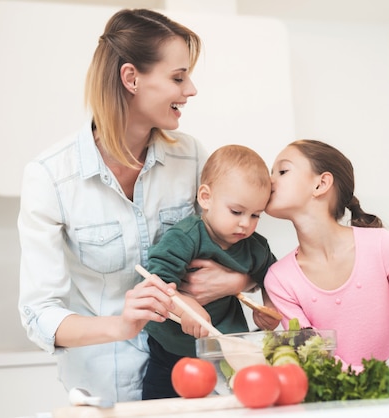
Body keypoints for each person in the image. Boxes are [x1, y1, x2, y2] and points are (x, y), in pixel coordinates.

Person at [17, 9, 252, 403]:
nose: (190, 89)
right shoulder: (50, 177)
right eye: (178, 77)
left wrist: (240, 281)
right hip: (105, 392)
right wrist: (122, 325)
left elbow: (235, 246)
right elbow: (39, 314)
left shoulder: (192, 157)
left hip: (194, 382)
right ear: (131, 78)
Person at [263, 139, 389, 384]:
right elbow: (316, 360)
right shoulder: (279, 279)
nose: (269, 181)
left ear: (321, 183)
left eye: (282, 171)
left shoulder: (382, 245)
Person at [143, 144, 281, 399]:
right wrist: (184, 306)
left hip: (224, 350)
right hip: (170, 350)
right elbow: (156, 283)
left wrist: (270, 306)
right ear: (205, 197)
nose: (245, 224)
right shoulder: (186, 236)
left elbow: (272, 277)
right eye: (237, 212)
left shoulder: (255, 247)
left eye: (255, 215)